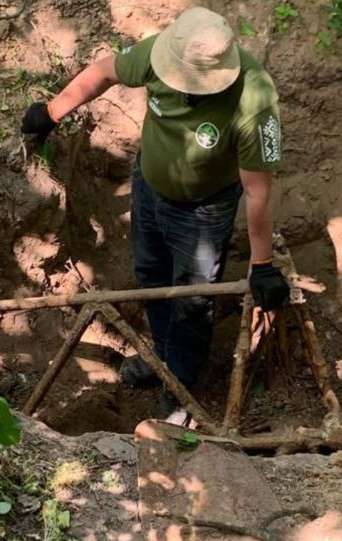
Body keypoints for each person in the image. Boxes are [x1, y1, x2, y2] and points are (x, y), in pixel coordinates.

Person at [21, 7, 289, 424]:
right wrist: (52, 112)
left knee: (192, 299)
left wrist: (263, 265)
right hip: (149, 188)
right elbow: (104, 72)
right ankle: (161, 356)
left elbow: (257, 191)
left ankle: (179, 381)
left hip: (204, 209)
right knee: (150, 275)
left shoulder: (254, 99)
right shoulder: (163, 53)